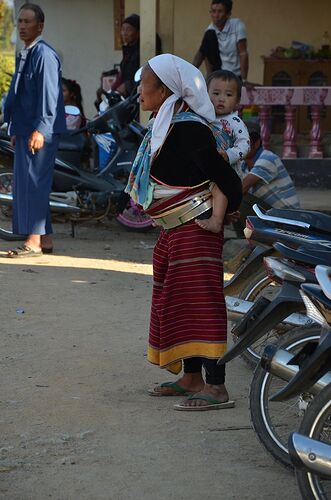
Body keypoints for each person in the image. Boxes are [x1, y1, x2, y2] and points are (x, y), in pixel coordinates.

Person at [125, 54, 242, 411]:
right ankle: (191, 378)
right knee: (177, 303)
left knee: (201, 304)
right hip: (173, 229)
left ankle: (217, 386)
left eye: (144, 84)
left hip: (196, 227)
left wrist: (220, 213)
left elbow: (227, 179)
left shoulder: (188, 128)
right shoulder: (164, 124)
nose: (138, 91)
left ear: (164, 90)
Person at [4, 3, 66, 257]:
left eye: (27, 22)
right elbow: (23, 96)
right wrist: (16, 128)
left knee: (34, 185)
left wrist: (41, 129)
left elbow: (49, 96)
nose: (22, 26)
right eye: (19, 21)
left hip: (41, 131)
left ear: (40, 26)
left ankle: (33, 241)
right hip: (26, 130)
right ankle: (46, 239)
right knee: (28, 184)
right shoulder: (26, 53)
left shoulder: (44, 55)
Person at [224, 121, 300, 272]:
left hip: (287, 219)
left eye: (244, 144)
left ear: (256, 143)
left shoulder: (268, 158)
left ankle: (249, 245)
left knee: (239, 200)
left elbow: (242, 188)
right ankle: (246, 244)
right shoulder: (244, 165)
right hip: (271, 215)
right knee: (234, 204)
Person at [196, 69, 250, 233]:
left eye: (228, 95)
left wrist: (229, 155)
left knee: (219, 188)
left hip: (228, 169)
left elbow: (245, 144)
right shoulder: (203, 117)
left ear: (237, 101)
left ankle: (217, 221)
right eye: (216, 93)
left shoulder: (234, 121)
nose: (221, 99)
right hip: (209, 166)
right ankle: (225, 214)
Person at [193, 0, 248, 82]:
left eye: (220, 12)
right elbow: (203, 52)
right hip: (218, 70)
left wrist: (244, 80)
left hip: (234, 74)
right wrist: (190, 71)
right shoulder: (210, 29)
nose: (216, 15)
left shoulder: (237, 25)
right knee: (208, 37)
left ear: (228, 14)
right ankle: (210, 77)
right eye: (213, 11)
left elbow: (243, 53)